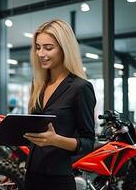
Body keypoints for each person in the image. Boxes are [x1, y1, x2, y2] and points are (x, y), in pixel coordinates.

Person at [23, 19, 96, 190]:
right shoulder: (38, 84)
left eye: (48, 48)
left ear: (65, 49)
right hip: (31, 175)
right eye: (38, 47)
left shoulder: (81, 88)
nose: (41, 53)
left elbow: (88, 142)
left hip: (58, 179)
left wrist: (56, 141)